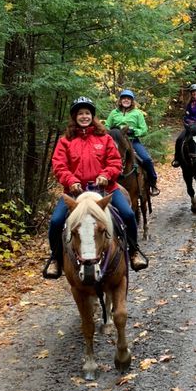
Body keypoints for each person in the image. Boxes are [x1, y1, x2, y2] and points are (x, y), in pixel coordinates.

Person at [44, 97, 145, 278]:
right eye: (80, 113)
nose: (84, 117)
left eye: (87, 113)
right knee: (56, 221)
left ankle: (134, 251)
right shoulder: (65, 140)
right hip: (76, 192)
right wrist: (70, 180)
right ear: (75, 117)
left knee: (128, 215)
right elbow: (59, 165)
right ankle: (55, 259)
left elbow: (114, 162)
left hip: (105, 189)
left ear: (93, 116)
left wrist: (105, 175)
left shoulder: (104, 138)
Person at [104, 89, 160, 196]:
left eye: (128, 98)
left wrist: (134, 131)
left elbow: (144, 130)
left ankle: (153, 183)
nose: (126, 100)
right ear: (120, 100)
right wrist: (113, 130)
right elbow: (106, 126)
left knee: (147, 159)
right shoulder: (113, 113)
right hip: (117, 142)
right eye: (124, 98)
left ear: (132, 101)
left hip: (132, 141)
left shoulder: (137, 113)